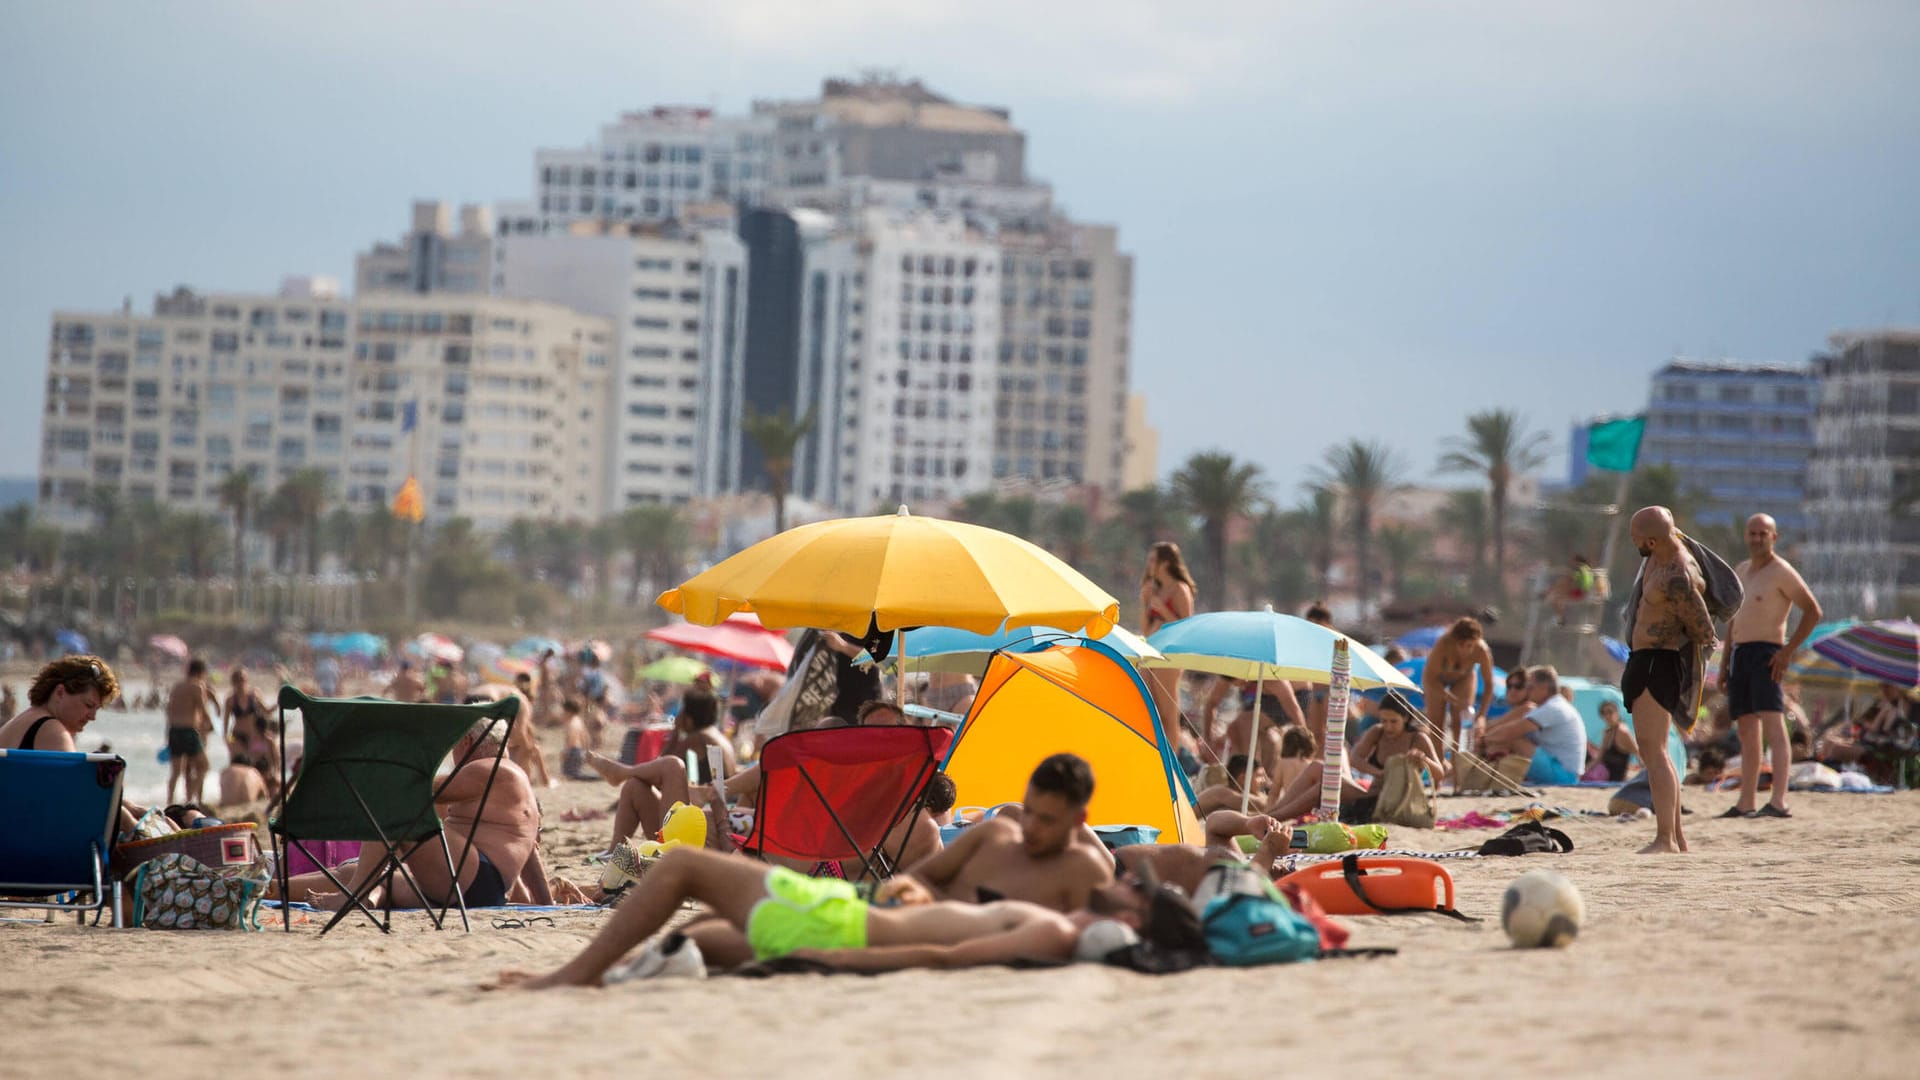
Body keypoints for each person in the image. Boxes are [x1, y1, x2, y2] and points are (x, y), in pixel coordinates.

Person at [493, 845, 1148, 988]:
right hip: (835, 919)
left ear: (1135, 921)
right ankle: (607, 974)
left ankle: (569, 978)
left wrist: (829, 961)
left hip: (831, 927)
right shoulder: (1059, 929)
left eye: (1134, 890)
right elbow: (944, 938)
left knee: (681, 867)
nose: (1122, 883)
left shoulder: (1060, 932)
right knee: (702, 939)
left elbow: (938, 957)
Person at [279, 718, 549, 910]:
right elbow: (528, 855)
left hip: (473, 879)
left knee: (396, 807)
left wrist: (384, 770)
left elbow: (415, 791)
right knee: (357, 871)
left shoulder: (489, 768)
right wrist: (546, 903)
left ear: (466, 741)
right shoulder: (512, 779)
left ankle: (356, 895)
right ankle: (273, 887)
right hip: (479, 887)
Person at [1622, 506, 1721, 854]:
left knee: (1656, 750)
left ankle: (1665, 838)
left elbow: (1704, 630)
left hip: (1658, 663)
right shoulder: (1657, 556)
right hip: (1643, 660)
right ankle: (1676, 837)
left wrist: (1677, 640)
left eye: (1636, 537)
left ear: (1650, 539)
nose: (1633, 543)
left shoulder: (1677, 574)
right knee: (1651, 751)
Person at [899, 753, 1114, 913]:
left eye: (1046, 820)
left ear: (1078, 821)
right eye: (1028, 811)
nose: (1030, 826)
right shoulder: (994, 833)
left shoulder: (1081, 869)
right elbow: (914, 877)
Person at [1717, 513, 1823, 820]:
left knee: (1774, 728)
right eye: (1752, 533)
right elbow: (1733, 621)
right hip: (1740, 654)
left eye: (1763, 533)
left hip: (1768, 653)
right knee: (1747, 731)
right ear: (1746, 536)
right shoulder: (1742, 570)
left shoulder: (1782, 572)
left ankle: (1779, 801)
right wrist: (1724, 665)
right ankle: (1746, 801)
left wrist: (1788, 652)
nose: (1757, 538)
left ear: (1774, 537)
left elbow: (1813, 611)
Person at [1478, 666, 1588, 785]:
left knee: (1512, 739)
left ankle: (1479, 774)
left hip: (1565, 776)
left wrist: (1482, 740)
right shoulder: (1550, 706)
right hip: (1563, 770)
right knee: (1506, 739)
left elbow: (1511, 731)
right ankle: (1484, 774)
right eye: (1509, 686)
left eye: (1529, 687)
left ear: (1544, 689)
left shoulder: (1553, 707)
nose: (1526, 691)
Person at [1139, 541, 1197, 753]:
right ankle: (1154, 753)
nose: (1150, 564)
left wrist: (1163, 609)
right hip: (1151, 651)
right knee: (1148, 709)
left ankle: (1172, 760)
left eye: (1154, 560)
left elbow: (1186, 627)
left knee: (1168, 714)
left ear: (1165, 563)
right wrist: (1145, 603)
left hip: (1170, 655)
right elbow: (1146, 629)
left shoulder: (1180, 590)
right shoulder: (1155, 590)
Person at [1420, 617, 1496, 774]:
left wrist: (1482, 715)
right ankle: (1438, 771)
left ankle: (1459, 774)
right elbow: (1429, 678)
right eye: (1461, 645)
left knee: (1462, 723)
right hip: (1437, 680)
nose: (1465, 650)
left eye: (1469, 645)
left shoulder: (1481, 650)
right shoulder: (1443, 645)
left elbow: (1489, 684)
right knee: (1436, 726)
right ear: (1454, 641)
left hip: (1464, 677)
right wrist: (1448, 697)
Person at [0, 655, 120, 752]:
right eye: (88, 705)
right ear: (60, 692)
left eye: (97, 709)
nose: (92, 717)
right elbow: (72, 781)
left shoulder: (22, 721)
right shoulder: (51, 729)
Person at [1348, 694, 1444, 795]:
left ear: (1405, 718)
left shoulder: (1418, 738)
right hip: (1378, 794)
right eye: (1384, 721)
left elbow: (1440, 774)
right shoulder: (1377, 732)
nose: (1388, 727)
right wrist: (1380, 773)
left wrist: (1423, 759)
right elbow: (1355, 758)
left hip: (1407, 797)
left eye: (1394, 721)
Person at [165, 659, 218, 805]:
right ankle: (189, 800)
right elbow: (203, 709)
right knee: (204, 766)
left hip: (174, 731)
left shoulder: (177, 687)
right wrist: (212, 724)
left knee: (176, 772)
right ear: (201, 672)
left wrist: (167, 734)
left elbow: (169, 710)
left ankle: (169, 802)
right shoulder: (197, 686)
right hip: (189, 732)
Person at [222, 668, 279, 786]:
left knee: (267, 750)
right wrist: (226, 739)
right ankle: (234, 786)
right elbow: (225, 722)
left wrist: (279, 702)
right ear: (233, 682)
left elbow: (267, 711)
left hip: (254, 734)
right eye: (238, 680)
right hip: (236, 735)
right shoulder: (230, 699)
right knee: (238, 762)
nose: (241, 682)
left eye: (243, 679)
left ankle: (273, 776)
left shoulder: (254, 694)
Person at [1590, 700, 1640, 782]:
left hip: (1615, 777)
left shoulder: (1622, 731)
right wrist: (1584, 771)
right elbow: (1599, 758)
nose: (1607, 716)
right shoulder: (1607, 732)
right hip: (1604, 774)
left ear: (1617, 713)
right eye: (1603, 713)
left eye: (1610, 712)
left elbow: (1638, 753)